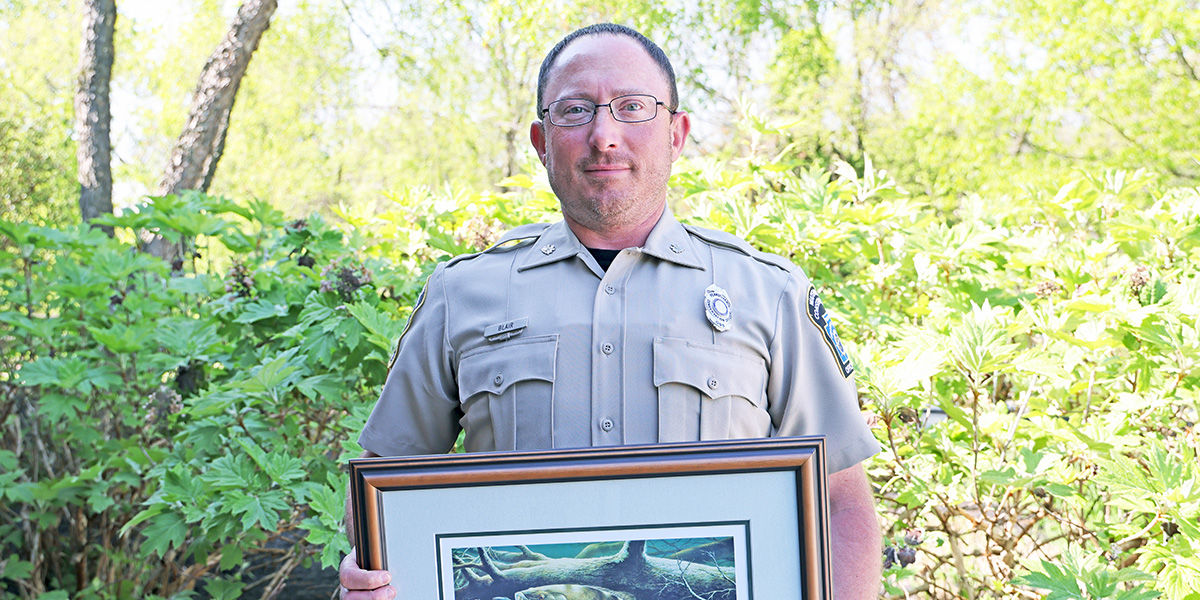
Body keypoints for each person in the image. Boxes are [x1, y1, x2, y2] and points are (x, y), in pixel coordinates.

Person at [338, 23, 882, 599]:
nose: (604, 136)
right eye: (575, 111)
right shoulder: (462, 293)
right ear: (541, 141)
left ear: (676, 133)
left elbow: (841, 503)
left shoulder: (767, 293)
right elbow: (382, 493)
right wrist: (373, 575)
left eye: (633, 107)